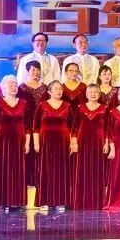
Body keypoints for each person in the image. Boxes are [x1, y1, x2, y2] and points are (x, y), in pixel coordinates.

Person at [0, 75, 29, 210]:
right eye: (10, 85)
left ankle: (17, 201)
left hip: (19, 142)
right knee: (4, 170)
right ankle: (3, 201)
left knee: (18, 171)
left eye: (15, 85)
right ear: (4, 88)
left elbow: (27, 126)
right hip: (3, 142)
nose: (13, 87)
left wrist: (27, 143)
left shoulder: (23, 103)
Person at [33, 81, 72, 212]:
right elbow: (35, 126)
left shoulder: (67, 106)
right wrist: (36, 142)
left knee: (62, 171)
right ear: (49, 91)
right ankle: (44, 201)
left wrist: (72, 142)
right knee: (46, 170)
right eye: (55, 89)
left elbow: (72, 126)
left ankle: (61, 201)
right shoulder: (42, 105)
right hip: (46, 142)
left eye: (60, 89)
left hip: (63, 142)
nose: (59, 91)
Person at [70, 84, 109, 210]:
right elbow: (74, 128)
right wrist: (74, 142)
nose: (93, 94)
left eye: (96, 92)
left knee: (97, 171)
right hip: (83, 143)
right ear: (86, 94)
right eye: (90, 92)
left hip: (98, 143)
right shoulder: (80, 108)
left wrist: (106, 143)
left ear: (99, 94)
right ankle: (81, 201)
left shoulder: (104, 108)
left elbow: (107, 128)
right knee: (82, 170)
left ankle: (97, 202)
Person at [17, 61, 47, 189]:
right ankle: (28, 181)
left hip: (43, 123)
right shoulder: (21, 88)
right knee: (28, 151)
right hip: (26, 123)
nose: (36, 72)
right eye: (33, 70)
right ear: (27, 71)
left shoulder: (46, 88)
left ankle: (42, 180)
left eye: (38, 70)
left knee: (42, 150)